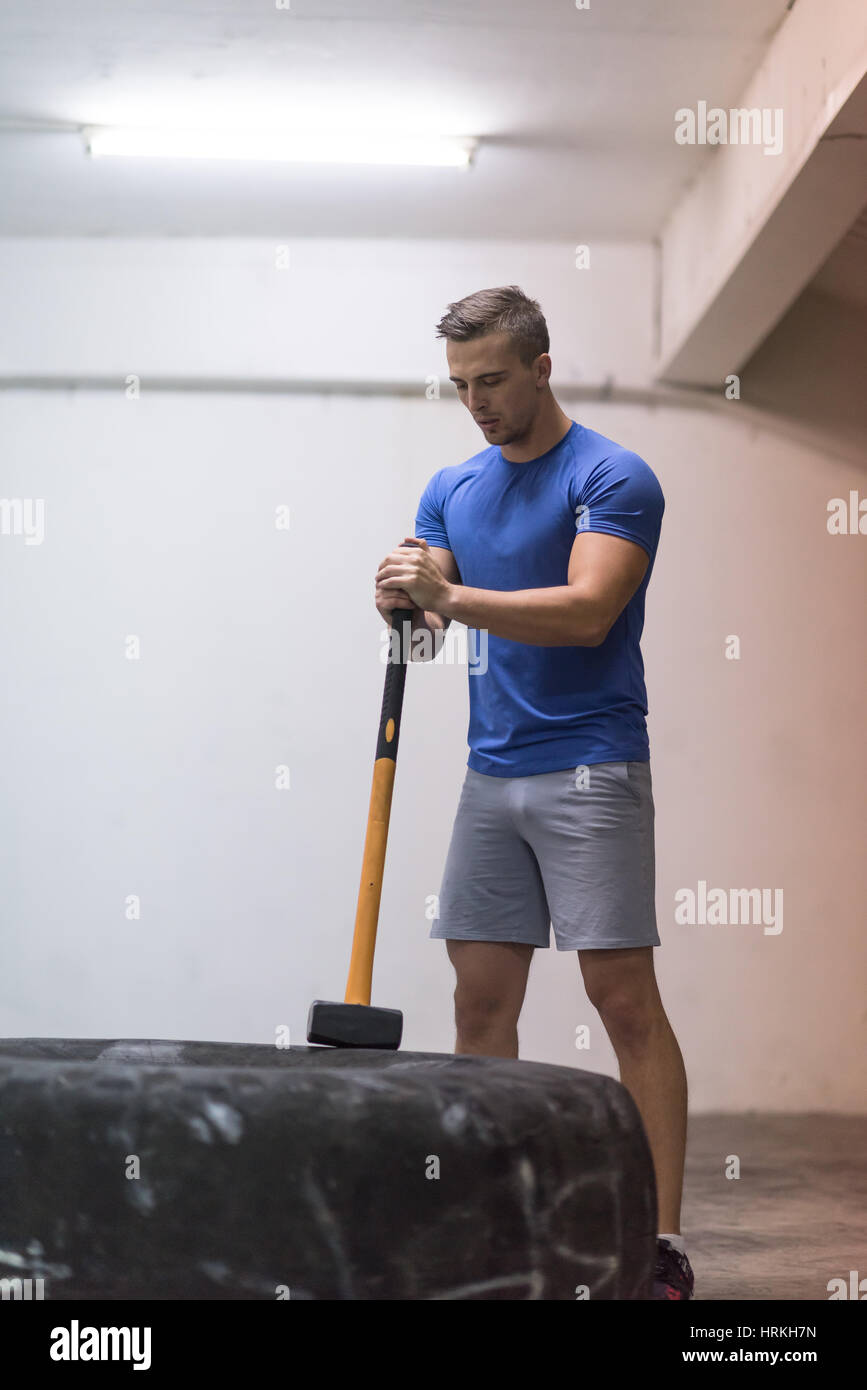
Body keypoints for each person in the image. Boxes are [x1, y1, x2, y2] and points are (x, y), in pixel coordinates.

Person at [374, 285, 693, 1301]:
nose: (476, 401)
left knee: (622, 999)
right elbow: (428, 634)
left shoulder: (612, 474)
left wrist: (449, 598)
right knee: (480, 1001)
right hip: (492, 774)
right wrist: (401, 604)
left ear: (542, 366)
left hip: (593, 766)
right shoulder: (452, 486)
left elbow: (590, 610)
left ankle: (660, 1243)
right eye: (462, 384)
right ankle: (495, 1225)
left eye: (494, 380)